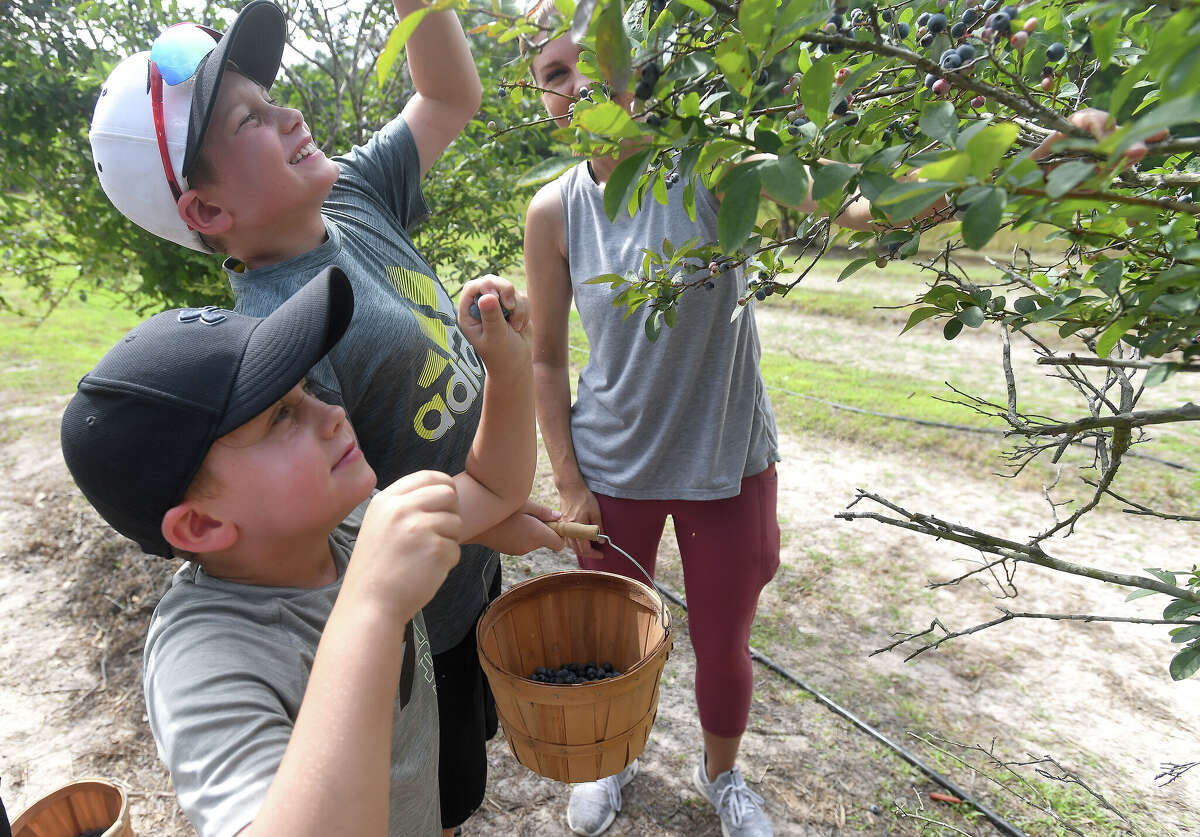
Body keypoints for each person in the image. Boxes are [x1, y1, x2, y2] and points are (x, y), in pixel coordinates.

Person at [518, 8, 1145, 835]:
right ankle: (612, 759)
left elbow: (858, 204)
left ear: (635, 67)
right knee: (610, 640)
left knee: (723, 641)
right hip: (610, 467)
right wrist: (567, 479)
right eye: (554, 76)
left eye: (592, 62)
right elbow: (548, 359)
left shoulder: (714, 166)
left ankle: (723, 775)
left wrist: (1012, 157)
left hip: (723, 459)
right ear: (544, 100)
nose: (580, 86)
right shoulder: (554, 213)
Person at [86, 2, 563, 832]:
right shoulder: (279, 350)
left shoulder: (352, 197)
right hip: (427, 599)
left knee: (442, 768)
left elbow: (450, 96)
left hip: (461, 550)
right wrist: (480, 522)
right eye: (249, 119)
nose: (288, 112)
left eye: (268, 96)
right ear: (205, 212)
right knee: (430, 773)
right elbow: (349, 519)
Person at [59, 266, 537, 836]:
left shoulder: (346, 523)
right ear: (203, 524)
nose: (332, 413)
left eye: (306, 390)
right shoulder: (207, 662)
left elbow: (493, 490)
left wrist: (506, 364)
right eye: (282, 416)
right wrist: (372, 606)